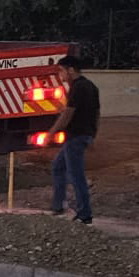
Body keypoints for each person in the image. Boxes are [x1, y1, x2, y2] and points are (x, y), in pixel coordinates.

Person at [48, 53, 100, 225]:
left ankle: (84, 214)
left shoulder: (78, 88)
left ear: (71, 70)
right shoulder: (91, 86)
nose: (60, 76)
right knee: (58, 166)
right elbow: (97, 113)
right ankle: (58, 206)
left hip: (76, 137)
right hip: (83, 135)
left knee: (76, 175)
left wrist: (52, 132)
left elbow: (67, 114)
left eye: (61, 71)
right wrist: (92, 135)